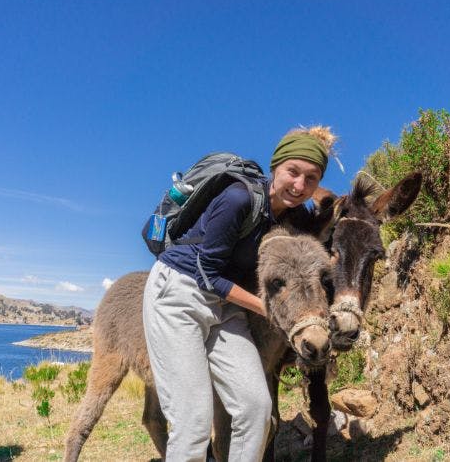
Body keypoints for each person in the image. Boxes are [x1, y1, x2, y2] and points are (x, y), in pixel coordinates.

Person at [142, 125, 337, 461]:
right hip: (179, 292)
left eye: (312, 178)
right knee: (192, 426)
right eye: (293, 172)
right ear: (276, 167)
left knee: (257, 409)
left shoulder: (291, 214)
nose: (300, 185)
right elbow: (208, 273)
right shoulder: (238, 199)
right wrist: (272, 309)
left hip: (224, 305)